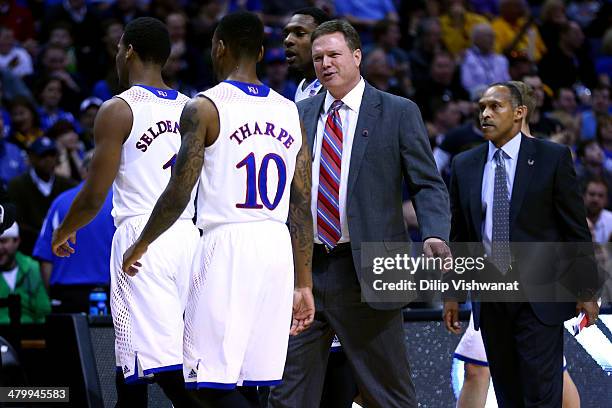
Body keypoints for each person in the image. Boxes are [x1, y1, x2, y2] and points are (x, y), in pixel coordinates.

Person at [121, 11, 315, 408]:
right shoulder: (289, 110)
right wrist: (304, 282)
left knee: (207, 385)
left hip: (227, 244)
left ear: (220, 47)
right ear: (261, 52)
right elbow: (301, 204)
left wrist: (142, 243)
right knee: (249, 383)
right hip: (277, 247)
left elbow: (178, 192)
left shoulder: (204, 107)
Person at [269, 20, 451, 408]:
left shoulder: (398, 111)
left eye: (334, 55)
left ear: (356, 56)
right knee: (287, 395)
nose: (325, 64)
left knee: (389, 396)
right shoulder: (297, 113)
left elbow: (427, 183)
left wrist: (435, 232)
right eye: (318, 58)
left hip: (372, 269)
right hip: (306, 270)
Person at [50, 17, 200, 407]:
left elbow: (93, 194)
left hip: (141, 239)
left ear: (128, 50)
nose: (117, 54)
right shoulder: (194, 108)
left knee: (160, 363)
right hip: (188, 235)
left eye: (119, 48)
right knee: (134, 357)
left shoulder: (118, 109)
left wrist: (64, 229)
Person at [444, 82, 600, 407]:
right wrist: (454, 293)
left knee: (541, 396)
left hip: (538, 297)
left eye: (495, 107)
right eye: (482, 107)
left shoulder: (551, 157)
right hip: (490, 298)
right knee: (508, 395)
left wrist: (586, 290)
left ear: (519, 113)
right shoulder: (465, 164)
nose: (485, 114)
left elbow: (574, 230)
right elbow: (460, 236)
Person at [283, 7, 358, 408]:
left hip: (351, 253)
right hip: (304, 246)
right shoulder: (297, 96)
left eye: (300, 34)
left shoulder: (360, 103)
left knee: (354, 368)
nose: (289, 41)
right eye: (287, 34)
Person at [33, 152, 114, 312]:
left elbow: (45, 258)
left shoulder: (60, 202)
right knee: (104, 338)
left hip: (65, 294)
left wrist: (53, 296)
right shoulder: (120, 202)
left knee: (66, 338)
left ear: (84, 171)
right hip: (108, 293)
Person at [8, 136, 76, 256]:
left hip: (64, 249)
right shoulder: (16, 186)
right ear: (31, 158)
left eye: (52, 155)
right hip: (29, 250)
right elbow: (17, 223)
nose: (49, 159)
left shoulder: (68, 185)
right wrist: (48, 237)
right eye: (43, 155)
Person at [0, 222, 51, 324]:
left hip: (30, 336)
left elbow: (44, 312)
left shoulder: (33, 269)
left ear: (17, 241)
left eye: (3, 241)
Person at [283, 7, 330, 103]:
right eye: (286, 34)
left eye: (300, 33)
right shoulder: (303, 84)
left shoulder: (336, 89)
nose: (287, 40)